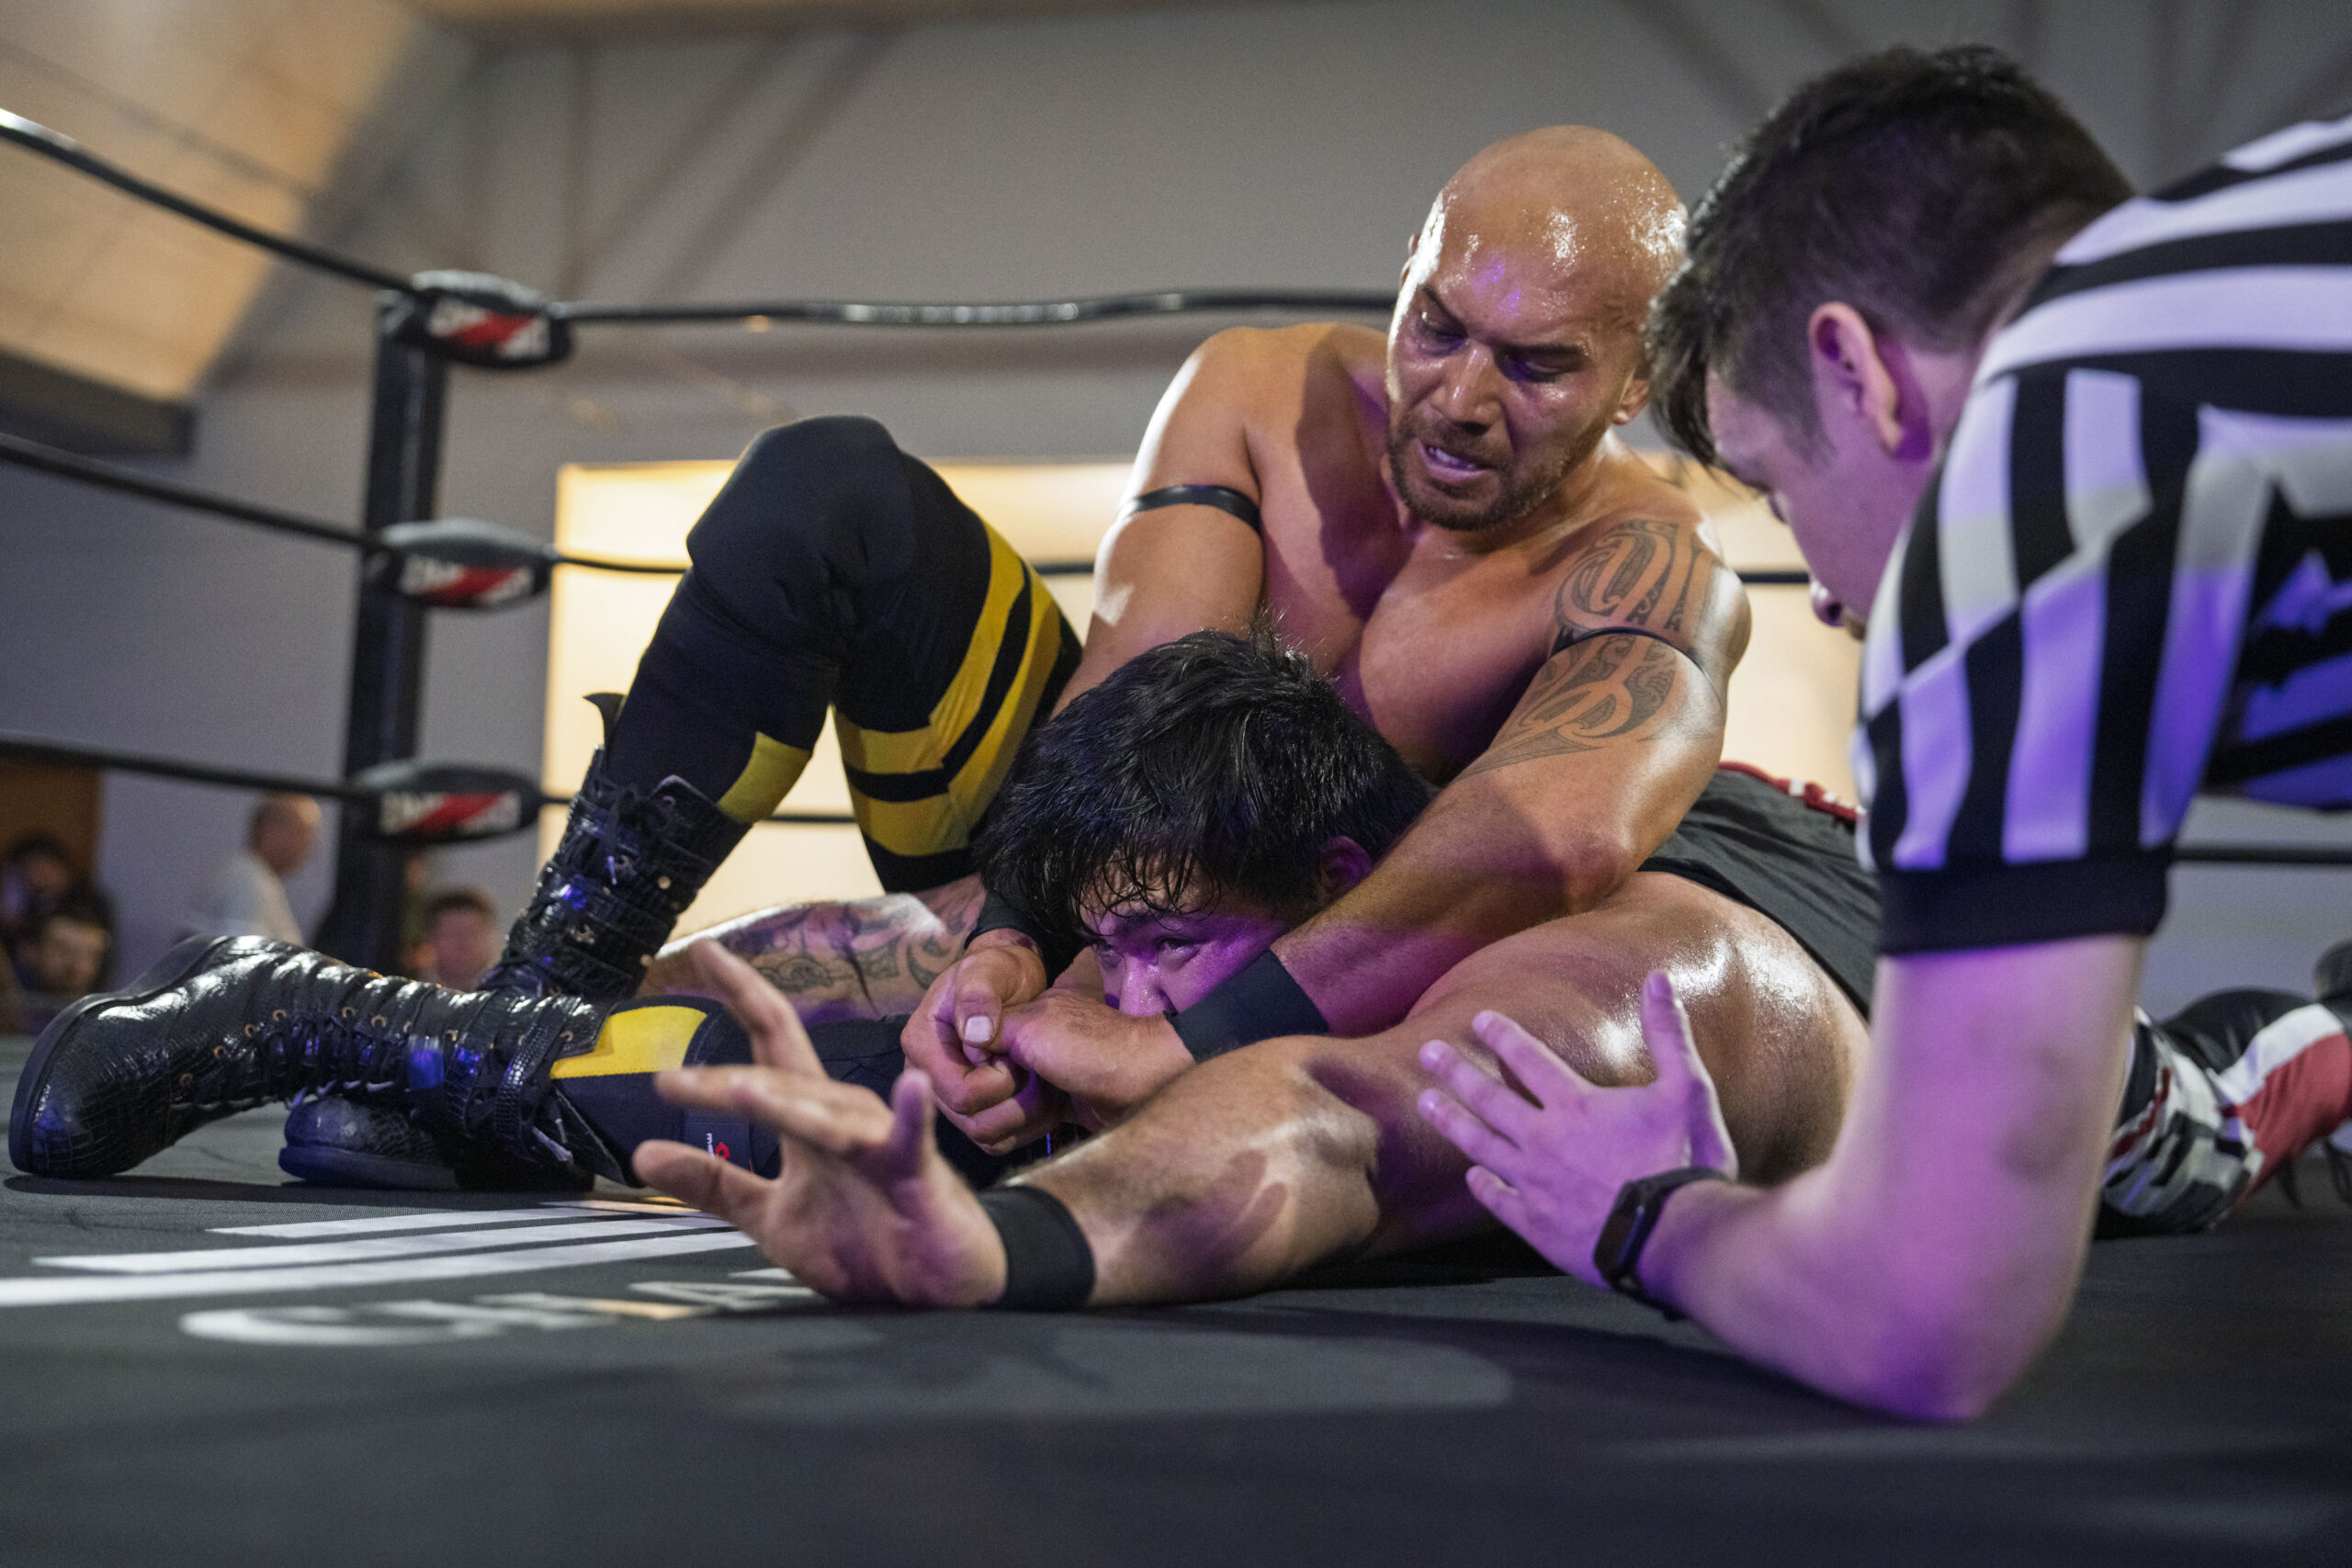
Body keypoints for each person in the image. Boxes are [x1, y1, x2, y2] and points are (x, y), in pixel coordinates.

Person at [256, 121, 1739, 1178]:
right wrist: (1014, 937)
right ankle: (534, 999)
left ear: (1638, 378)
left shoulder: (1646, 562)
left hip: (1261, 970)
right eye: (1438, 327)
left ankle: (501, 1088)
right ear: (1404, 277)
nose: (1461, 396)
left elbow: (1562, 831)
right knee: (828, 486)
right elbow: (1127, 702)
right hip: (1064, 843)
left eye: (1536, 365)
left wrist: (1175, 1034)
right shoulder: (1264, 391)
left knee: (875, 1058)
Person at [1406, 49, 2352, 1417]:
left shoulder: (2028, 493)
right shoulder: (2283, 213)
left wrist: (1649, 1213)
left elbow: (1926, 1320)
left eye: (1783, 491)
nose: (1829, 595)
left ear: (1858, 371)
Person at [184, 795, 319, 945]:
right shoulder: (246, 882)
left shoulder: (252, 875)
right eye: (303, 831)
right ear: (272, 830)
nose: (309, 845)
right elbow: (243, 956)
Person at [6, 890, 113, 1034]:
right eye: (62, 948)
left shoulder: (105, 1021)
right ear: (30, 951)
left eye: (86, 954)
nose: (74, 963)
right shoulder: (10, 1006)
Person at [413, 886, 502, 990]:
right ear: (429, 938)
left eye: (473, 932)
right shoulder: (409, 993)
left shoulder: (512, 994)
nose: (464, 943)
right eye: (451, 934)